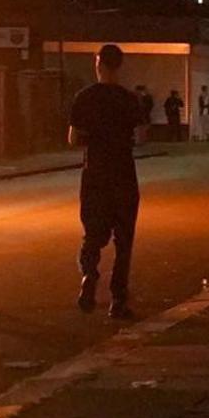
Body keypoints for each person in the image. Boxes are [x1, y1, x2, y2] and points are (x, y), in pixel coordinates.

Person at [69, 45, 151, 315]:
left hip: (94, 172)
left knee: (93, 232)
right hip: (123, 172)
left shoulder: (84, 97)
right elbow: (140, 138)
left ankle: (89, 276)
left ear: (98, 64)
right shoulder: (130, 99)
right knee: (123, 239)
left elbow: (73, 138)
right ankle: (118, 299)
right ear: (120, 65)